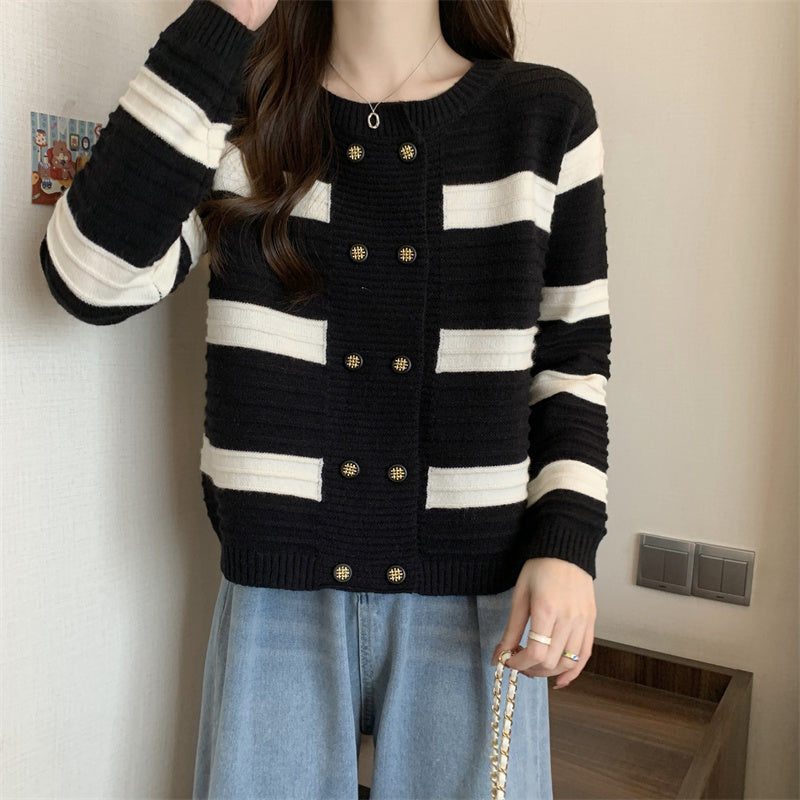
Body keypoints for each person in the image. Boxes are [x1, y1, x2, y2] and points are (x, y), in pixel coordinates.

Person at [38, 0, 610, 797]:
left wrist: (567, 543)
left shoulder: (544, 117)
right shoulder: (246, 111)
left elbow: (572, 359)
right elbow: (89, 279)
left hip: (477, 599)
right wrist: (228, 17)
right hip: (276, 597)